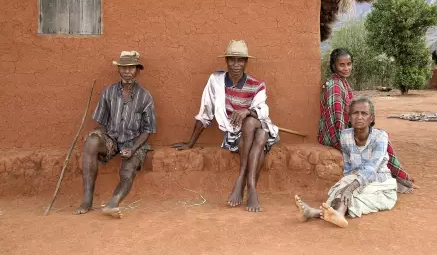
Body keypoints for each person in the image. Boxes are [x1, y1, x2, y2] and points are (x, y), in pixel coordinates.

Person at [172, 40, 279, 212]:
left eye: (240, 60)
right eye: (232, 60)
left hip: (258, 128)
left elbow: (263, 111)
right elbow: (205, 112)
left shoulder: (257, 84)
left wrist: (246, 111)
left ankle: (242, 178)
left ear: (246, 62)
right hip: (235, 135)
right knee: (259, 136)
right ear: (226, 61)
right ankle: (251, 186)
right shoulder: (216, 82)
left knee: (253, 124)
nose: (236, 64)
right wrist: (190, 143)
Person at [318, 48, 417, 193]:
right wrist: (348, 139)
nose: (346, 68)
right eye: (342, 65)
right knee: (371, 145)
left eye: (349, 64)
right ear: (334, 66)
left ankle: (397, 175)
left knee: (379, 139)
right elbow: (337, 120)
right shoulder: (335, 86)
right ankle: (397, 177)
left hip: (346, 129)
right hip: (335, 135)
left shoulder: (342, 82)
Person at [75, 51, 156, 218]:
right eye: (123, 67)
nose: (127, 71)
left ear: (137, 70)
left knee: (128, 170)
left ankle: (113, 203)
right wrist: (97, 135)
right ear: (118, 69)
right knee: (91, 141)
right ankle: (87, 198)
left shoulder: (145, 97)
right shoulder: (108, 92)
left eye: (131, 68)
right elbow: (102, 122)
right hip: (111, 138)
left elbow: (148, 130)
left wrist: (133, 149)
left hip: (134, 141)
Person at [295, 97, 398, 228]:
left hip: (380, 183)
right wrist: (346, 184)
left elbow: (372, 168)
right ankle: (332, 213)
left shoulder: (380, 137)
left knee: (354, 195)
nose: (359, 117)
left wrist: (350, 187)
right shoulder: (345, 136)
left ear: (371, 118)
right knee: (340, 190)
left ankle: (320, 213)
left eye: (364, 113)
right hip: (355, 178)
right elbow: (348, 166)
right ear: (349, 118)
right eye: (355, 113)